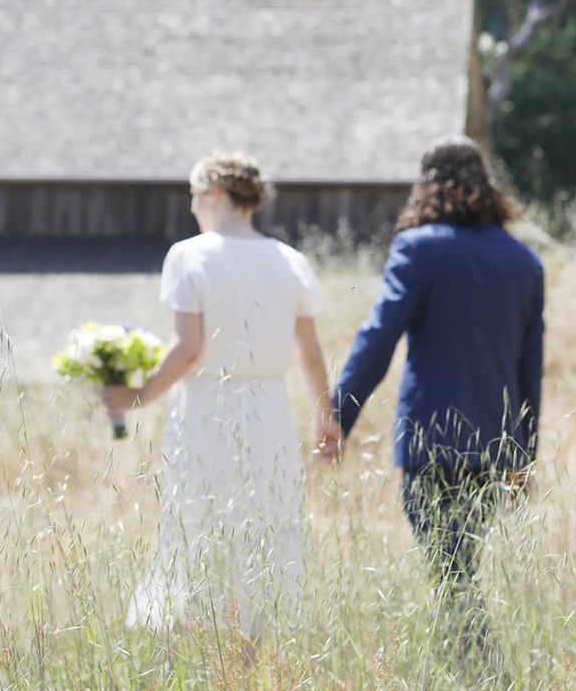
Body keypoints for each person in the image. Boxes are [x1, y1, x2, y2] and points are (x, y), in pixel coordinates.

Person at [103, 151, 339, 638]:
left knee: (197, 521)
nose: (192, 205)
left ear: (214, 193)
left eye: (193, 194)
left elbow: (189, 348)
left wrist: (139, 396)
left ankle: (194, 647)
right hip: (270, 408)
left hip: (207, 405)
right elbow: (311, 355)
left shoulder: (189, 255)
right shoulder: (291, 261)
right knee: (265, 526)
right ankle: (253, 651)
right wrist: (325, 418)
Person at [330, 135, 544, 660]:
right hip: (494, 441)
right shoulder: (523, 262)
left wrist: (339, 414)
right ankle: (464, 662)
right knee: (458, 558)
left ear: (425, 184)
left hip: (432, 436)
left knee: (449, 565)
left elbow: (379, 337)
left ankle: (476, 664)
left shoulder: (418, 248)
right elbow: (529, 364)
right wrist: (523, 454)